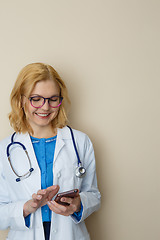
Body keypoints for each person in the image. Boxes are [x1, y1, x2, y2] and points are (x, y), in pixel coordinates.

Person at [0, 63, 101, 240]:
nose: (45, 107)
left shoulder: (80, 142)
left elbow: (94, 196)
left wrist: (78, 205)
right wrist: (26, 207)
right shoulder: (5, 149)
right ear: (21, 99)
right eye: (36, 99)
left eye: (53, 99)